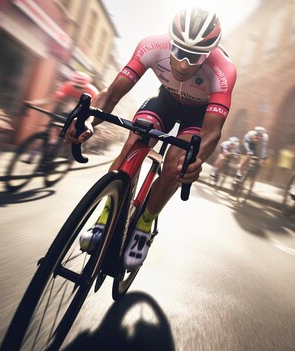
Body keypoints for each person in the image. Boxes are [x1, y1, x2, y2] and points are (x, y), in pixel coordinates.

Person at [65, 7, 236, 270]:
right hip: (164, 102)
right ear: (170, 41)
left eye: (194, 57)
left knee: (176, 166)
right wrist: (87, 121)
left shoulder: (223, 70)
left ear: (209, 53)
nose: (182, 64)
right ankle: (105, 218)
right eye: (178, 51)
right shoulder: (152, 45)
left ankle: (144, 224)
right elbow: (110, 96)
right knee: (135, 139)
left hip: (197, 117)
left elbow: (212, 130)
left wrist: (197, 159)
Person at [27, 71, 99, 115]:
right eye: (75, 86)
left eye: (80, 87)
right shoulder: (67, 86)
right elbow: (51, 100)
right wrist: (33, 103)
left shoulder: (92, 92)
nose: (78, 89)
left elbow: (96, 109)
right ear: (72, 83)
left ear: (86, 85)